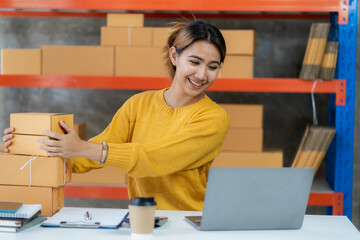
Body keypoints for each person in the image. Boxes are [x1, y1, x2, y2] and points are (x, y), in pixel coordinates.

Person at [2, 20, 229, 211]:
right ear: (174, 56)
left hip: (189, 224)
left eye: (212, 66)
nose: (202, 74)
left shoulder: (213, 119)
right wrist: (25, 149)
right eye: (194, 62)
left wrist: (81, 147)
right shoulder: (139, 104)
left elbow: (153, 159)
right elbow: (85, 158)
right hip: (144, 219)